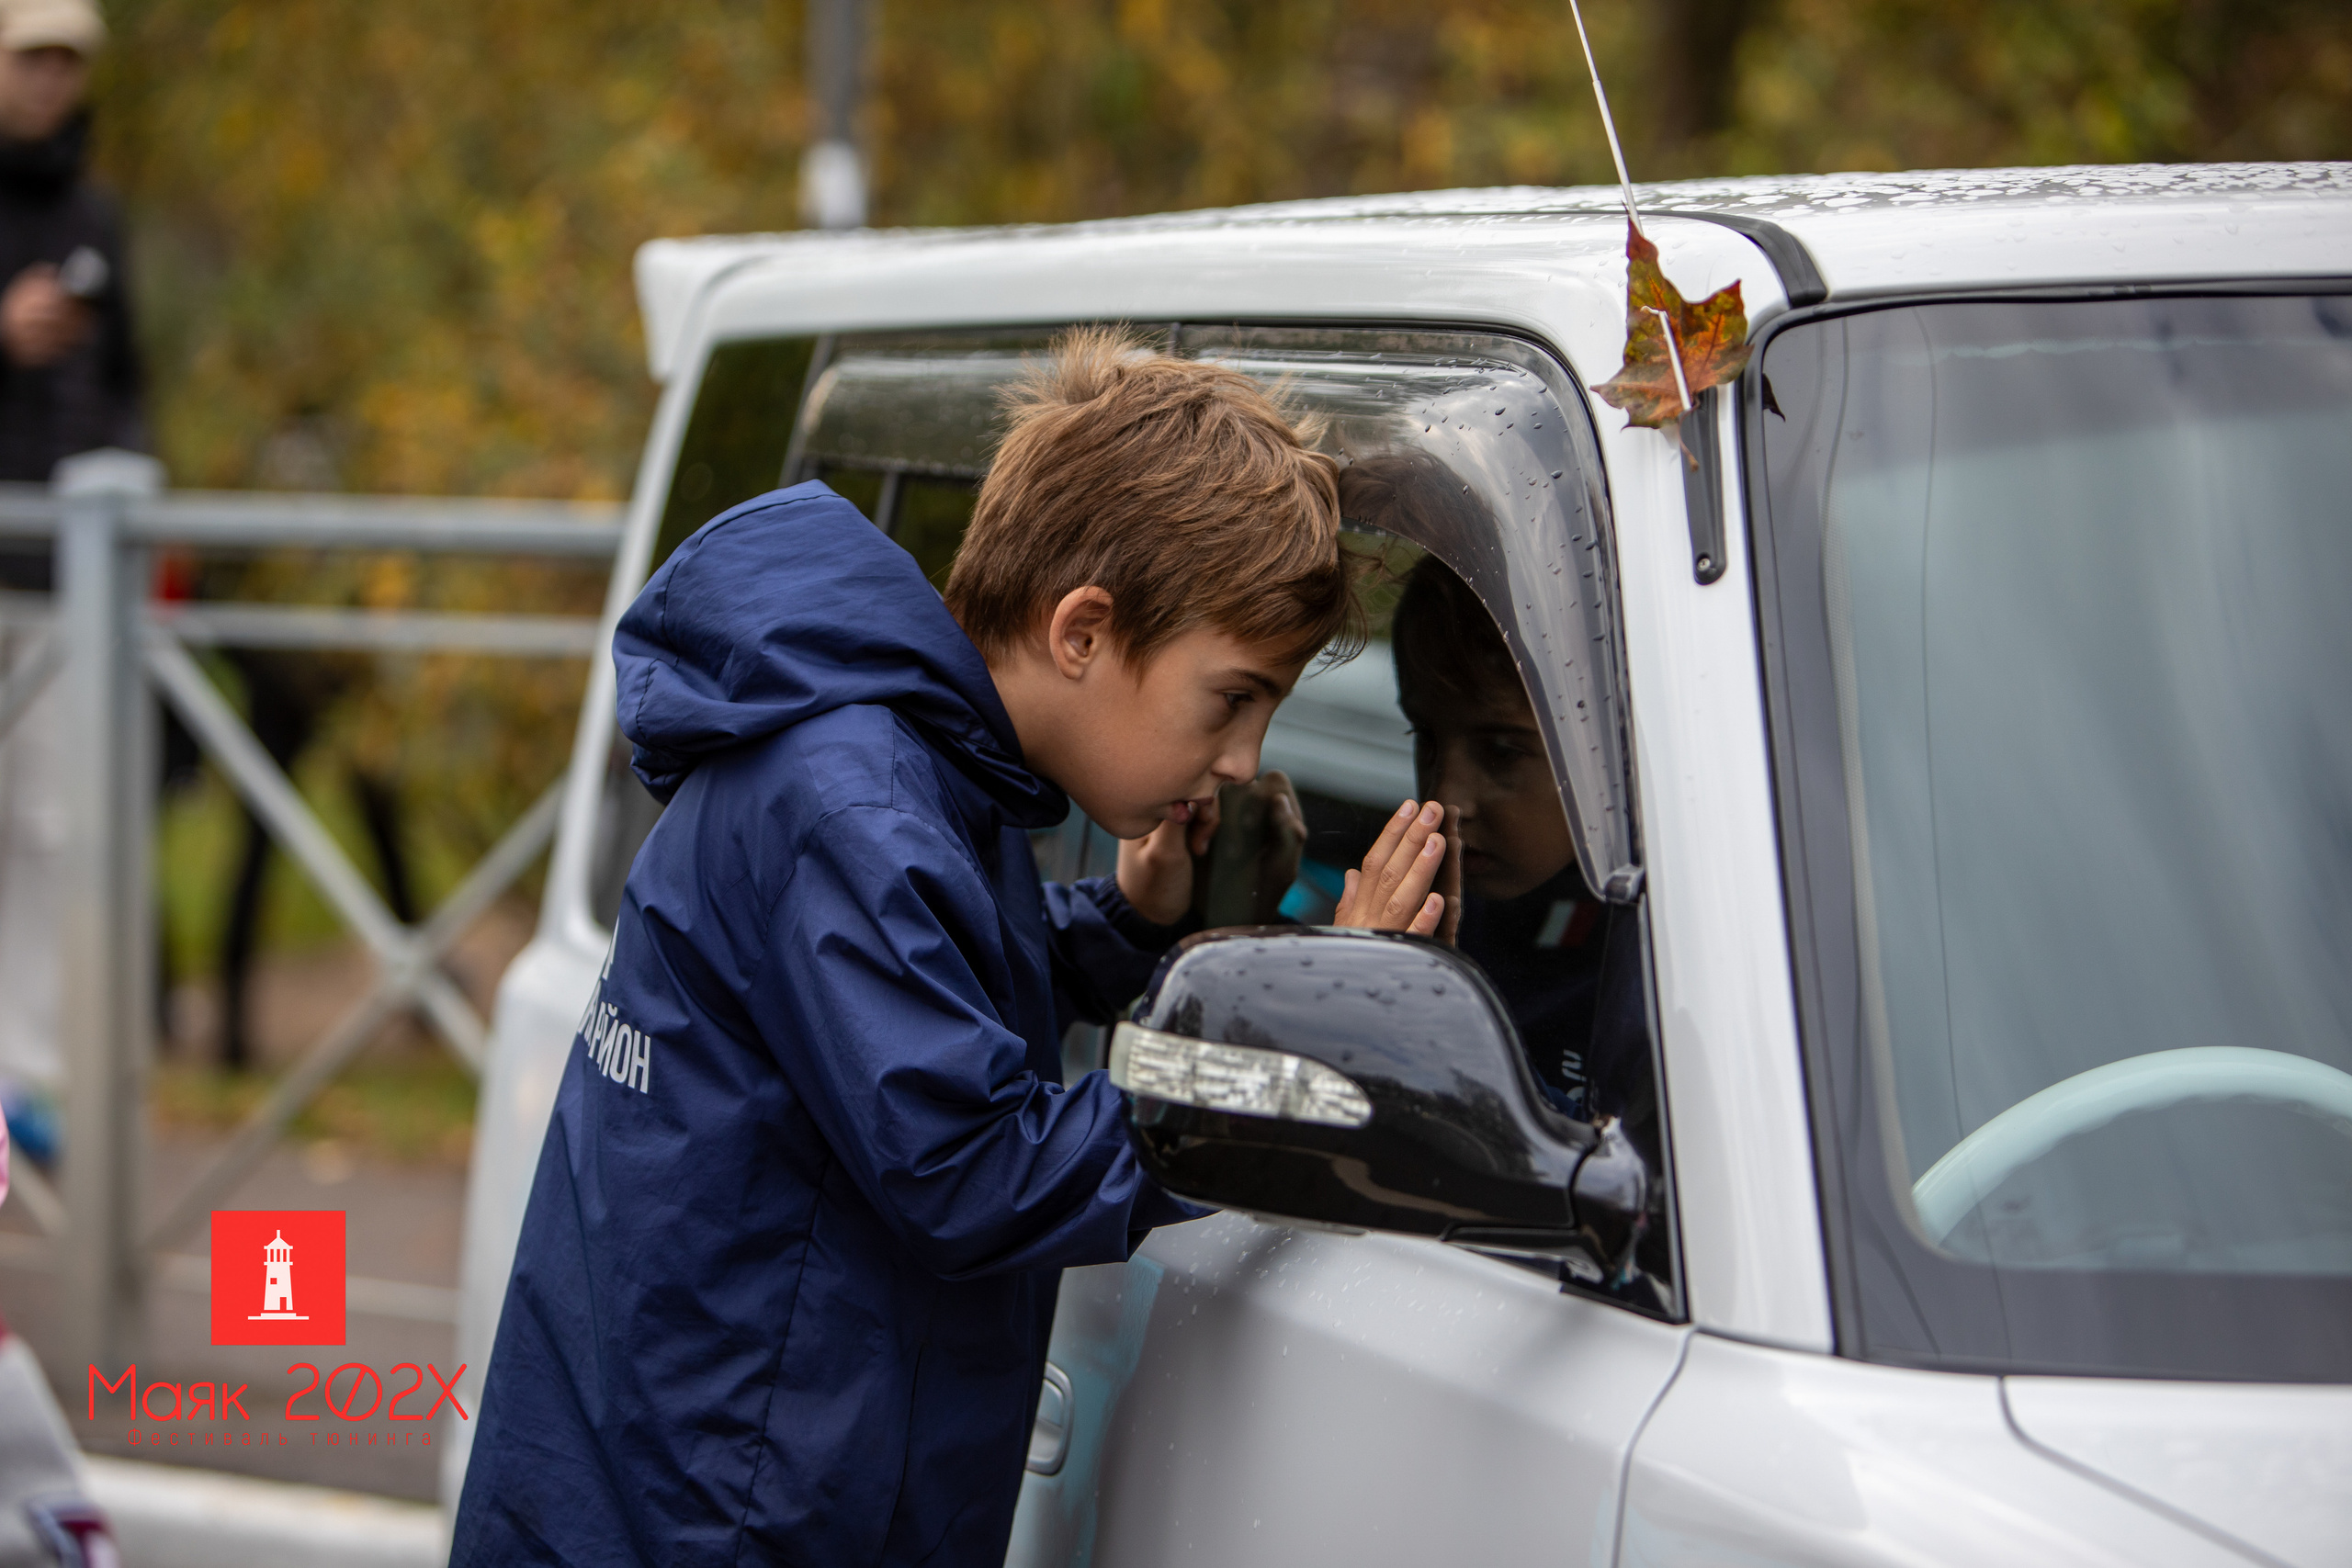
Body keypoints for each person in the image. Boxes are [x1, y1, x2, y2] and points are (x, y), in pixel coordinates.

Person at [452, 329, 1450, 1567]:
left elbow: (927, 990)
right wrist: (1305, 1048)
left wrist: (1134, 923)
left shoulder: (902, 771)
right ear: (1083, 629)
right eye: (1231, 696)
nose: (1244, 758)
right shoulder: (852, 801)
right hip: (719, 1529)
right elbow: (970, 1162)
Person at [0, 0, 141, 1173]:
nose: (50, 80)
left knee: (48, 822)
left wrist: (135, 490)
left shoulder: (97, 212)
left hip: (62, 577)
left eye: (65, 61)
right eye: (29, 56)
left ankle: (27, 1083)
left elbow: (134, 378)